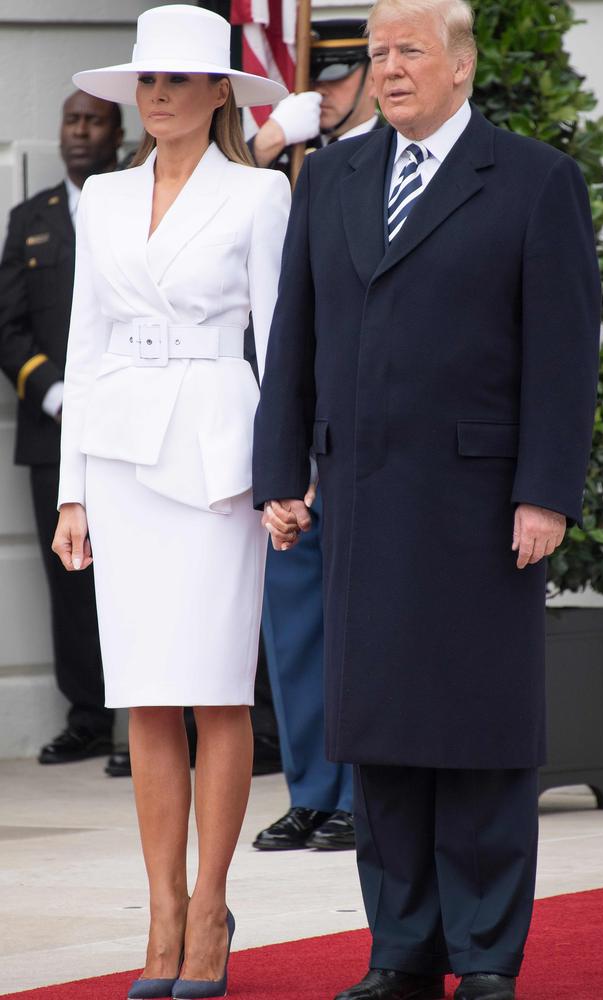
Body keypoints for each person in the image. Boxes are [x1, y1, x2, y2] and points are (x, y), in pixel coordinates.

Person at [252, 0, 601, 998]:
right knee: (383, 736)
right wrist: (280, 473)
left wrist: (544, 493)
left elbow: (561, 355)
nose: (387, 68)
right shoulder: (332, 178)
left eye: (408, 50)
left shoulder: (533, 180)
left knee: (478, 732)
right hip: (358, 502)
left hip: (481, 508)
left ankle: (484, 954)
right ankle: (401, 950)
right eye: (376, 55)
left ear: (461, 64)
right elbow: (296, 339)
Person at [51, 6, 289, 999]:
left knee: (215, 685)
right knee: (143, 691)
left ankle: (208, 907)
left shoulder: (259, 196)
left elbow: (279, 349)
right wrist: (71, 494)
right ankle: (159, 909)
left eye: (178, 80)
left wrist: (284, 477)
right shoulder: (99, 199)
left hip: (215, 459)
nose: (155, 94)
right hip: (118, 457)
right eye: (146, 80)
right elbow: (85, 341)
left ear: (219, 93)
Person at [252, 19, 379, 854]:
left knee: (363, 621)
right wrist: (265, 148)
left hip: (366, 425)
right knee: (294, 620)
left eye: (339, 77)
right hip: (294, 416)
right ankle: (311, 787)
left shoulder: (380, 164)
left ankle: (359, 791)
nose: (325, 94)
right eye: (317, 80)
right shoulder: (291, 166)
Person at [0, 91, 123, 769]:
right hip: (57, 429)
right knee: (71, 580)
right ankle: (89, 717)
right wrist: (54, 396)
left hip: (133, 424)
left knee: (139, 569)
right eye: (71, 121)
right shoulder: (32, 219)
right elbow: (7, 326)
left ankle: (153, 724)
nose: (79, 132)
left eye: (93, 121)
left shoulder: (142, 202)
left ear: (119, 131)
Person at [251, 18, 381, 173]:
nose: (319, 90)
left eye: (335, 78)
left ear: (374, 80)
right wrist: (265, 144)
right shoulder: (287, 149)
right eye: (312, 77)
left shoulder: (392, 151)